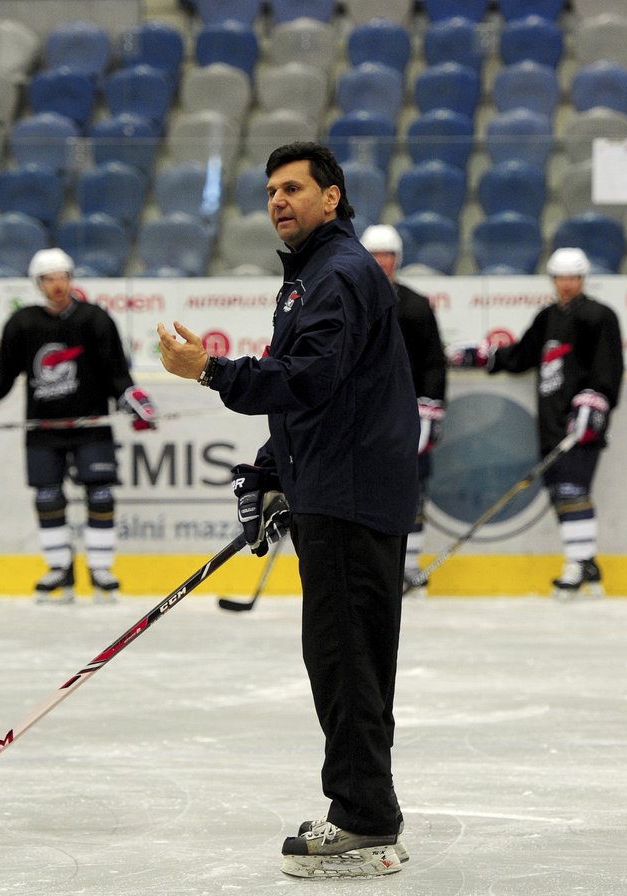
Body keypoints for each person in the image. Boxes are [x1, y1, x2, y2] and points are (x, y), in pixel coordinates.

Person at [157, 142, 419, 879]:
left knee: (345, 660)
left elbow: (306, 380)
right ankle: (369, 808)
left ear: (332, 198)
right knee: (350, 659)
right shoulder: (312, 277)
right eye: (271, 190)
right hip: (338, 488)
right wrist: (272, 472)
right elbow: (317, 399)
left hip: (350, 496)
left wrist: (208, 370)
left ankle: (364, 820)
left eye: (294, 188)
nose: (278, 200)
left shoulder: (336, 275)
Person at [0, 248, 157, 604]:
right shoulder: (22, 324)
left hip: (91, 424)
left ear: (71, 279)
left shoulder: (94, 319)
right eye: (49, 279)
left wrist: (130, 397)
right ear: (38, 284)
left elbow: (116, 370)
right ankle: (59, 569)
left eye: (63, 277)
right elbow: (3, 371)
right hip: (43, 428)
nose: (57, 285)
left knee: (100, 493)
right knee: (47, 495)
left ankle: (101, 570)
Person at [448, 246, 624, 599]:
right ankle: (587, 562)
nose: (567, 284)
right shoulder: (548, 317)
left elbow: (609, 366)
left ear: (583, 279)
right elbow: (523, 354)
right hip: (551, 421)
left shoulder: (599, 316)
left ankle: (575, 566)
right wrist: (487, 356)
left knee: (573, 490)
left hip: (582, 422)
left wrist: (596, 401)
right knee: (561, 492)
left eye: (573, 277)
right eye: (561, 277)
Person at [360, 224, 448, 597]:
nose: (382, 263)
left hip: (407, 415)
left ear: (397, 259)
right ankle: (373, 567)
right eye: (376, 256)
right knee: (364, 493)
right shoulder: (350, 302)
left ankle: (408, 567)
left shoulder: (414, 305)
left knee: (411, 490)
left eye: (388, 256)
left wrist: (430, 407)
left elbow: (433, 362)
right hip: (363, 416)